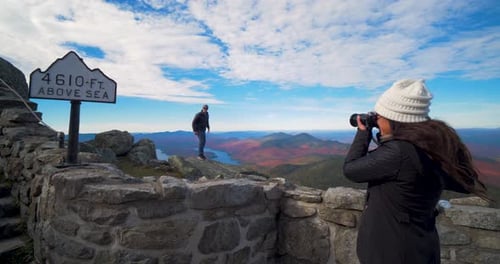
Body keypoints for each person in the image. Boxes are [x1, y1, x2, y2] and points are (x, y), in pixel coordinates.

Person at [343, 79, 489, 264]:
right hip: (419, 245)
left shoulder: (400, 152)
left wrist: (363, 133)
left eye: (380, 115)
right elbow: (465, 183)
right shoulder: (429, 146)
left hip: (392, 251)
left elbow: (351, 170)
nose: (376, 119)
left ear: (396, 119)